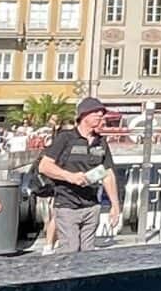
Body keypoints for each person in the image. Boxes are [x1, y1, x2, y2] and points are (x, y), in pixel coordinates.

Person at [35, 97, 122, 252]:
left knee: (88, 252)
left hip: (92, 205)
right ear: (83, 115)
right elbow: (44, 166)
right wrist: (70, 176)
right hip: (67, 205)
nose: (100, 115)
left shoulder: (101, 142)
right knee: (71, 249)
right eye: (96, 112)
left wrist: (115, 206)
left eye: (102, 112)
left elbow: (108, 173)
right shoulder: (65, 138)